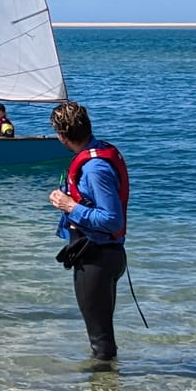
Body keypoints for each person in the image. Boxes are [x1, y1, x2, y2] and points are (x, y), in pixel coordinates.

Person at [48, 100, 129, 363]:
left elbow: (112, 220)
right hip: (101, 255)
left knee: (101, 341)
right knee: (101, 335)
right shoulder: (98, 152)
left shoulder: (95, 168)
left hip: (97, 258)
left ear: (61, 135)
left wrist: (70, 206)